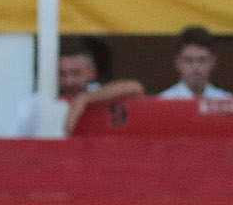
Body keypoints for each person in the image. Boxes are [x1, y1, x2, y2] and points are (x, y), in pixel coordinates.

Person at [9, 38, 142, 136]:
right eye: (62, 74)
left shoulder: (98, 93)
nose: (69, 81)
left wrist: (83, 99)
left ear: (92, 72)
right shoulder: (35, 105)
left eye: (76, 73)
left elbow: (135, 87)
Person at [157, 26, 232, 101]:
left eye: (202, 60)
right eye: (189, 60)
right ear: (178, 62)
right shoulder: (164, 101)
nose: (196, 67)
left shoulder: (225, 101)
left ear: (213, 62)